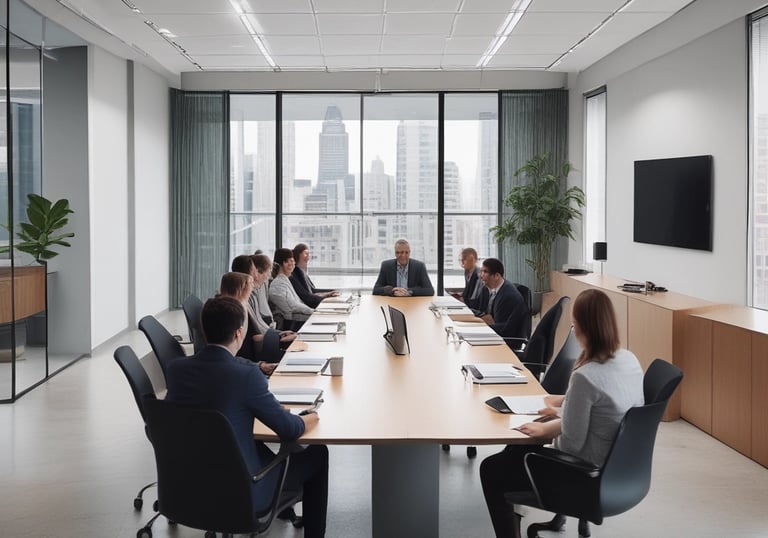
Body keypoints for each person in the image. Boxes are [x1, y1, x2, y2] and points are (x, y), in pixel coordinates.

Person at [479, 288, 644, 538]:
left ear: (582, 326)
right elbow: (605, 402)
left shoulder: (585, 377)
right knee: (514, 451)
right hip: (620, 470)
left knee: (491, 468)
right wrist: (562, 409)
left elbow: (570, 446)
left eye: (575, 323)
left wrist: (551, 424)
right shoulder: (629, 359)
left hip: (586, 475)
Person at [165, 296, 329, 537]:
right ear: (240, 333)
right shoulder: (245, 376)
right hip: (242, 491)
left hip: (188, 486)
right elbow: (289, 430)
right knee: (318, 453)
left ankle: (284, 511)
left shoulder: (176, 370)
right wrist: (309, 417)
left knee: (252, 440)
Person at [218, 271, 280, 375]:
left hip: (248, 360)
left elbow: (255, 334)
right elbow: (254, 338)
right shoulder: (231, 312)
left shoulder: (243, 306)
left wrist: (279, 336)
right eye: (249, 285)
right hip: (244, 362)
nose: (252, 288)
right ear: (240, 289)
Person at [231, 255, 297, 351]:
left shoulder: (248, 299)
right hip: (255, 351)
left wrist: (279, 334)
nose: (257, 276)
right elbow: (255, 336)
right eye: (255, 272)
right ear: (246, 276)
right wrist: (279, 337)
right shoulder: (240, 304)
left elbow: (259, 327)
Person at [476, 258, 528, 339]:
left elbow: (505, 330)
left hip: (507, 341)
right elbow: (487, 316)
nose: (481, 275)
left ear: (497, 276)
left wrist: (479, 328)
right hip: (496, 334)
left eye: (485, 272)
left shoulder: (508, 296)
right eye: (481, 271)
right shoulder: (486, 289)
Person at [269, 248, 315, 330]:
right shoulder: (278, 284)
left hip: (298, 320)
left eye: (292, 261)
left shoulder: (285, 280)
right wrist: (313, 312)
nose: (292, 264)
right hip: (292, 325)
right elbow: (292, 306)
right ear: (282, 264)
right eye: (288, 261)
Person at [290, 243, 339, 308]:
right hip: (310, 304)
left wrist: (331, 291)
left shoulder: (302, 272)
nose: (308, 257)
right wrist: (327, 296)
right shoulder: (295, 272)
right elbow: (307, 295)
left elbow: (313, 290)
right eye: (305, 253)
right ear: (298, 254)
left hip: (312, 300)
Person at [459, 247, 484, 312]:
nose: (463, 262)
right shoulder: (467, 273)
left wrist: (463, 300)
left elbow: (474, 298)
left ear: (475, 260)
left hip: (476, 308)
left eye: (465, 259)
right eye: (462, 259)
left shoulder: (479, 275)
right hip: (469, 305)